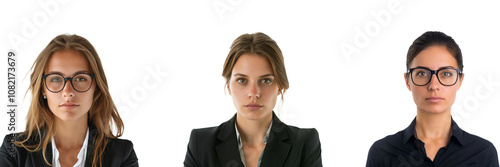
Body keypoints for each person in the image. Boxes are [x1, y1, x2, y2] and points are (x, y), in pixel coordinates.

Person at [184, 32, 322, 167]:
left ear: (279, 86)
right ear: (228, 86)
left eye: (266, 80)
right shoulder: (201, 144)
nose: (254, 93)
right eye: (242, 80)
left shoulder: (304, 143)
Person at [0, 34, 139, 167]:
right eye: (55, 79)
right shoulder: (14, 151)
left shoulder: (122, 154)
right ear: (43, 88)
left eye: (80, 78)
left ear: (96, 86)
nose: (68, 92)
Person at [366, 31, 499, 166]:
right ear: (407, 81)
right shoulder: (382, 153)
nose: (434, 86)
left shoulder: (483, 154)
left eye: (446, 73)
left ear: (460, 80)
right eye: (422, 73)